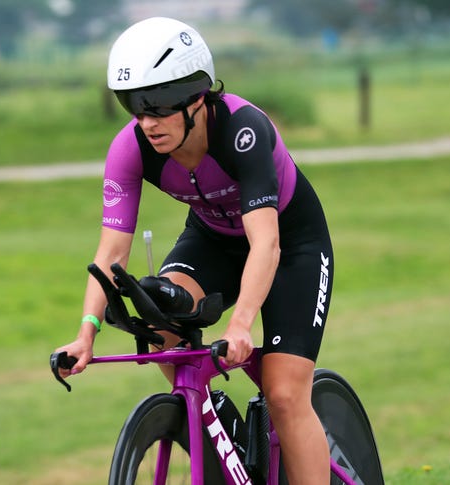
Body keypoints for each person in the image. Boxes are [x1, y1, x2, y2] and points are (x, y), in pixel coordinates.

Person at [55, 17, 334, 485]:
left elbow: (265, 243)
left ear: (196, 97)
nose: (147, 123)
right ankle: (213, 416)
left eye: (158, 107)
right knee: (156, 317)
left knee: (285, 395)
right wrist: (86, 333)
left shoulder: (243, 131)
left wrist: (241, 322)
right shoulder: (130, 148)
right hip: (211, 239)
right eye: (134, 107)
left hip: (289, 245)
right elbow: (111, 252)